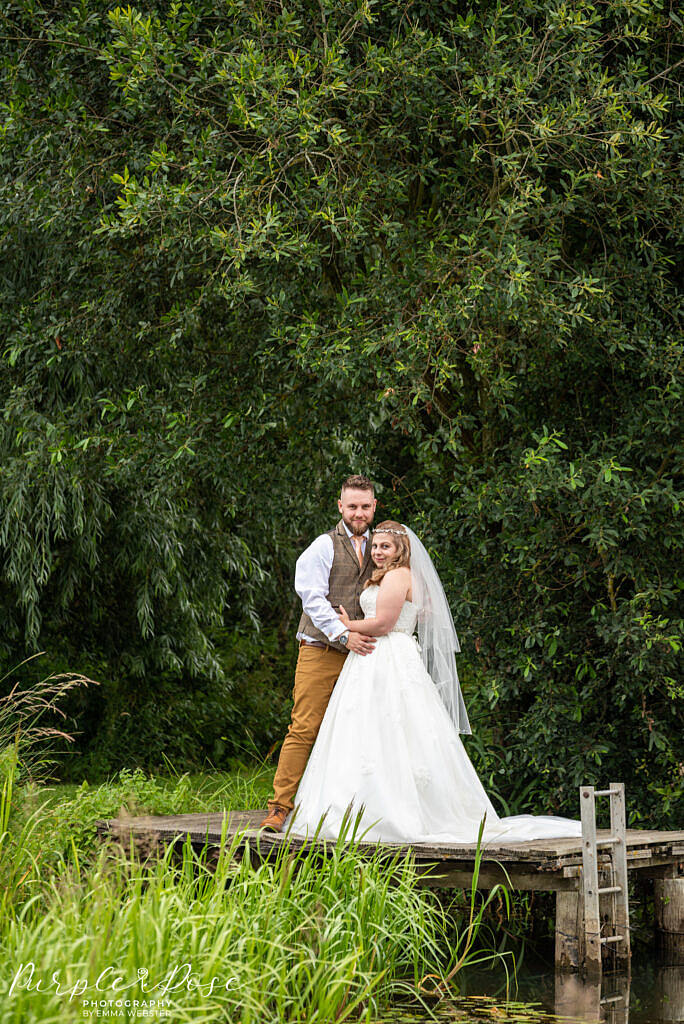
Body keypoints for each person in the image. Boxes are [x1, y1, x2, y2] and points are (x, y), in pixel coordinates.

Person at [282, 521, 583, 845]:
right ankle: (356, 804)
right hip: (372, 659)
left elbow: (383, 623)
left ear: (401, 549)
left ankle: (390, 811)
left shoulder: (398, 575)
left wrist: (346, 624)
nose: (379, 551)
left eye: (386, 546)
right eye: (376, 546)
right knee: (367, 730)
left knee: (395, 729)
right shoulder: (381, 574)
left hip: (389, 655)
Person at [259, 475, 379, 832]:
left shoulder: (383, 545)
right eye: (352, 506)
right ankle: (279, 807)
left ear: (374, 508)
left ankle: (348, 811)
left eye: (365, 506)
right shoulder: (323, 546)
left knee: (358, 730)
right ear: (340, 506)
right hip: (322, 649)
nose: (359, 513)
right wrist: (344, 635)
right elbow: (311, 598)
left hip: (365, 653)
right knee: (305, 727)